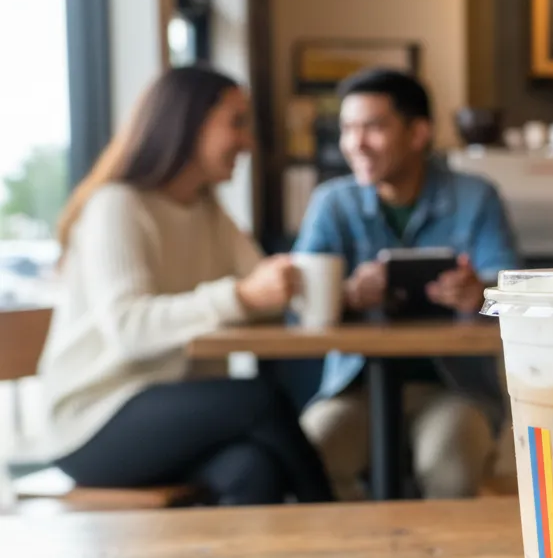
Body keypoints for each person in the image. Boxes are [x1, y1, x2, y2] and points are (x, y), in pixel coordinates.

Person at [39, 65, 333, 506]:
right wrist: (241, 296)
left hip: (171, 411)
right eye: (236, 123)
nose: (248, 143)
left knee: (254, 469)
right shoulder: (117, 206)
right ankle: (332, 518)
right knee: (258, 399)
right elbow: (130, 330)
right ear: (188, 123)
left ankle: (272, 553)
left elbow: (264, 293)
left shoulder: (207, 210)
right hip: (92, 420)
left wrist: (315, 289)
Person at [294, 68, 518, 500]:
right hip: (356, 387)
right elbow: (298, 305)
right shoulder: (331, 203)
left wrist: (478, 293)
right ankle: (367, 545)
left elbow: (511, 296)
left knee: (450, 465)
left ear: (418, 133)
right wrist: (346, 295)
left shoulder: (477, 197)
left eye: (373, 128)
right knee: (309, 455)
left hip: (454, 388)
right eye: (347, 129)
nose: (355, 143)